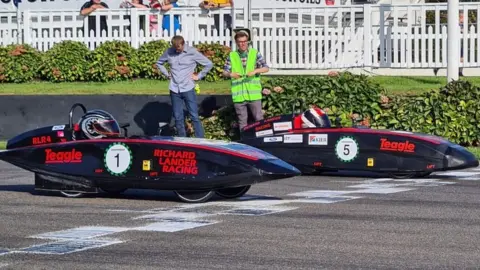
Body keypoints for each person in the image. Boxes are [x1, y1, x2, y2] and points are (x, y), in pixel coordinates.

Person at [156, 35, 213, 138]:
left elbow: (209, 64)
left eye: (179, 48)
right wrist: (167, 74)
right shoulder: (169, 52)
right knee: (178, 117)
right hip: (174, 89)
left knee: (194, 116)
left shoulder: (192, 52)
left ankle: (200, 139)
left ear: (183, 44)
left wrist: (199, 76)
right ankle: (182, 140)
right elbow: (159, 63)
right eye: (175, 48)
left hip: (188, 88)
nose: (177, 50)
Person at [223, 29, 269, 130]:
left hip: (254, 95)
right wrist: (231, 74)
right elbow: (224, 72)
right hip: (239, 96)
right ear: (236, 43)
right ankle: (244, 142)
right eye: (240, 42)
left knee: (259, 120)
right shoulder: (232, 56)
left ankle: (260, 142)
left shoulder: (255, 53)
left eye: (244, 41)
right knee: (242, 122)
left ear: (247, 41)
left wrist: (255, 71)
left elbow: (266, 68)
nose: (242, 44)